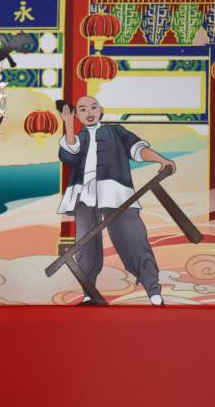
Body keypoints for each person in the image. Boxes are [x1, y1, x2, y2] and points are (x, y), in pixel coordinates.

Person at [57, 95, 175, 305]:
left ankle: (153, 289)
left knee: (133, 239)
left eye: (93, 107)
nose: (89, 113)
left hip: (116, 193)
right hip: (84, 196)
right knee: (85, 245)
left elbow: (138, 150)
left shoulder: (116, 132)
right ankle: (89, 293)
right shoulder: (77, 138)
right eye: (83, 109)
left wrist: (161, 160)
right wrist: (68, 125)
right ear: (77, 115)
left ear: (101, 110)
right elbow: (69, 158)